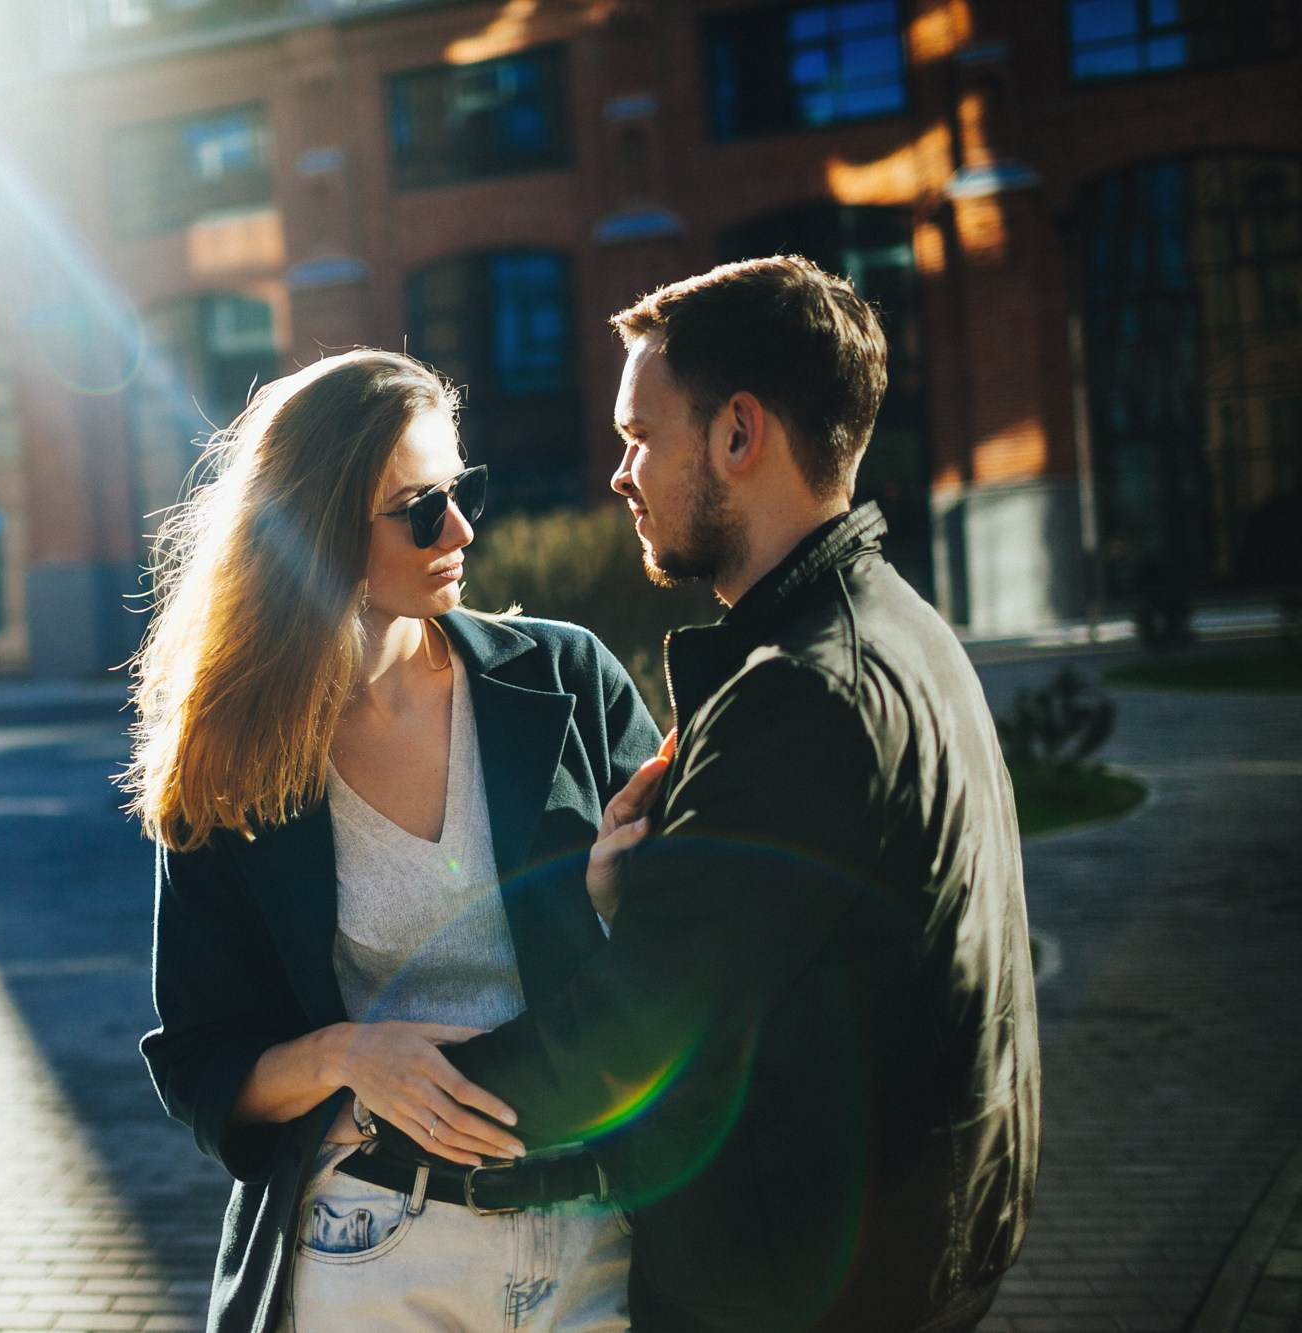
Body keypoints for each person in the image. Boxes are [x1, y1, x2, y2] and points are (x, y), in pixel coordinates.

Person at [432, 257, 1040, 1331]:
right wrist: (636, 901)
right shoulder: (896, 624)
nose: (620, 473)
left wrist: (384, 1108)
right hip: (907, 1246)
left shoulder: (799, 694)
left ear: (736, 434)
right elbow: (789, 951)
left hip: (804, 1285)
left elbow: (628, 1036)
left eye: (638, 435)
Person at [129, 349, 665, 1332]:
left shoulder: (566, 678)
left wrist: (617, 896)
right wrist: (348, 1056)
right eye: (419, 508)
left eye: (461, 493)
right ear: (319, 530)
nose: (458, 529)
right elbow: (203, 1061)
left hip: (595, 1228)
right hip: (365, 1246)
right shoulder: (232, 756)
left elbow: (686, 949)